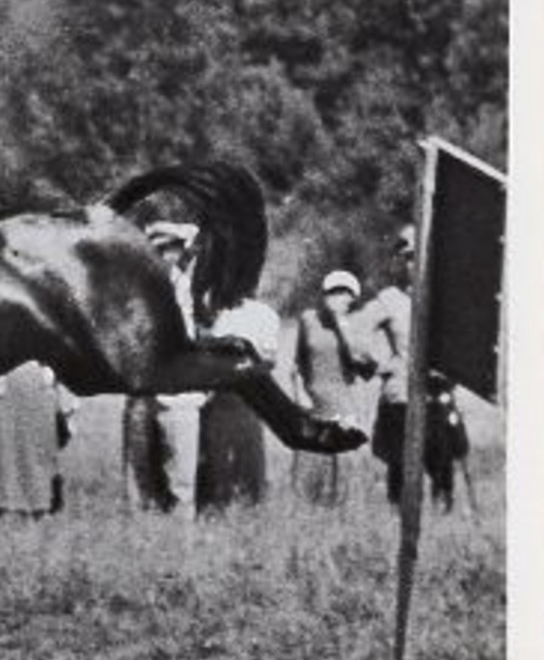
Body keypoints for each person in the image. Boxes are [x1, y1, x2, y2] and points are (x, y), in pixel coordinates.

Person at [357, 225, 467, 510]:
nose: (413, 263)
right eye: (407, 257)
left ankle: (443, 536)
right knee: (400, 471)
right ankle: (399, 530)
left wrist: (451, 372)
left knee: (442, 473)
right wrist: (379, 366)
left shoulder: (447, 297)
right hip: (400, 399)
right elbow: (354, 332)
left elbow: (465, 339)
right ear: (399, 261)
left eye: (419, 255)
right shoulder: (389, 300)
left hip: (437, 398)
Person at [122, 221, 204, 517]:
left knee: (181, 469)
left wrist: (166, 227)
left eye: (173, 249)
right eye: (159, 250)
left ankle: (182, 530)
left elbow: (197, 234)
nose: (166, 256)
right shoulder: (133, 290)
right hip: (142, 388)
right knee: (140, 469)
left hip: (179, 387)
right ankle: (143, 530)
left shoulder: (190, 285)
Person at [293, 269, 374, 504]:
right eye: (331, 292)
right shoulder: (308, 319)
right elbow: (298, 363)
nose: (336, 298)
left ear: (352, 298)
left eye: (343, 293)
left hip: (346, 402)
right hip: (313, 402)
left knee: (346, 470)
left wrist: (344, 327)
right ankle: (310, 514)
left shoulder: (356, 325)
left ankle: (344, 519)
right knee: (311, 467)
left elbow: (366, 369)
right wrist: (300, 395)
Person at [196, 293, 281, 512]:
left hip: (248, 394)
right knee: (215, 454)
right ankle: (214, 507)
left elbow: (270, 360)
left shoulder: (264, 314)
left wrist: (247, 368)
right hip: (215, 394)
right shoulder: (211, 307)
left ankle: (253, 505)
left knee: (251, 454)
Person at [0, 361, 68, 520]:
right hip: (0, 381)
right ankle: (1, 505)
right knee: (2, 448)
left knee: (36, 449)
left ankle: (39, 505)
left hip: (36, 381)